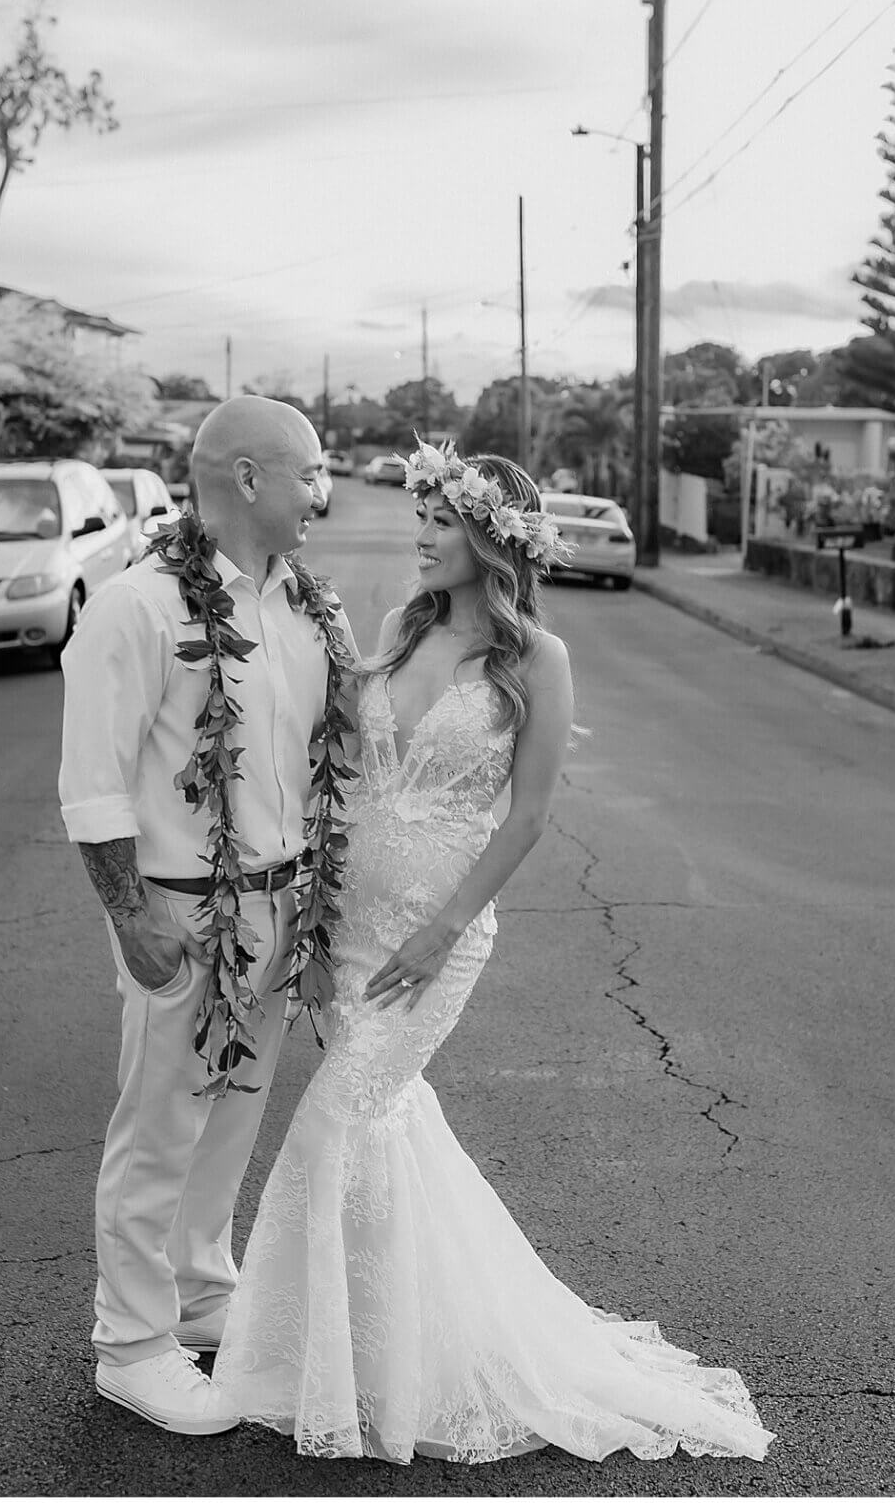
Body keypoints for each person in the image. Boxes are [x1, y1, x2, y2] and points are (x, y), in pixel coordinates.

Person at [209, 442, 774, 1466]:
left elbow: (528, 816)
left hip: (440, 932)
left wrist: (442, 928)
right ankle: (378, 1348)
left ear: (491, 536)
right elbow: (344, 770)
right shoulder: (395, 629)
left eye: (438, 520)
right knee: (385, 1130)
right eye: (421, 516)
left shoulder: (535, 661)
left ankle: (328, 1363)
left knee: (342, 1120)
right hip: (355, 919)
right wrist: (320, 927)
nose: (419, 535)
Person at [58, 396, 357, 1436]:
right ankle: (131, 1342)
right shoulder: (137, 607)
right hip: (182, 913)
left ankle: (196, 1289)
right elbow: (92, 780)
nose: (321, 491)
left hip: (281, 905)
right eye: (310, 471)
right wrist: (130, 916)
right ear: (245, 478)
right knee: (158, 1126)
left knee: (233, 1111)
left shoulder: (302, 608)